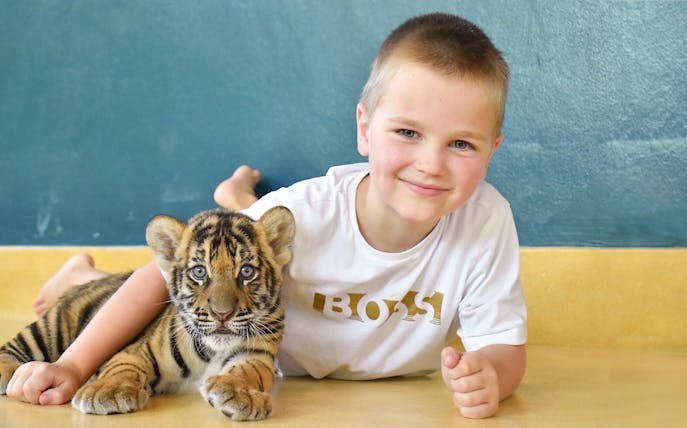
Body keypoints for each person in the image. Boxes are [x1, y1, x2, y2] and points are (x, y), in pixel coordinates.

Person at [7, 13, 527, 419]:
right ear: (365, 130)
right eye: (407, 133)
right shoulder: (311, 209)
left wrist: (492, 378)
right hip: (267, 350)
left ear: (492, 150)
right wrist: (73, 365)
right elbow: (158, 277)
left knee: (262, 233)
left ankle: (236, 197)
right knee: (231, 261)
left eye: (461, 143)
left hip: (285, 244)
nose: (430, 165)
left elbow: (504, 350)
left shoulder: (486, 221)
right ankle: (87, 278)